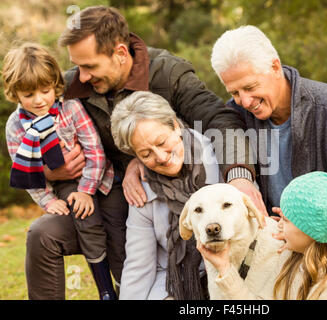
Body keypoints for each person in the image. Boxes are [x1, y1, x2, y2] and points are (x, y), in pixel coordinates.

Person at [23, 6, 258, 299]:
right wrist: (48, 170)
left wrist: (238, 175)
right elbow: (28, 133)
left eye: (90, 66)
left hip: (158, 194)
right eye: (77, 66)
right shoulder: (73, 86)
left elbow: (221, 121)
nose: (80, 76)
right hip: (100, 197)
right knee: (43, 235)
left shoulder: (168, 73)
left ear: (120, 53)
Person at [2, 43, 117, 300]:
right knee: (85, 217)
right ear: (15, 93)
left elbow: (95, 151)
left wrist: (87, 190)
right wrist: (48, 200)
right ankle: (106, 292)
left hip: (101, 178)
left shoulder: (70, 108)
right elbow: (27, 172)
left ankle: (125, 288)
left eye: (45, 91)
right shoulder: (16, 127)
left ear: (55, 85)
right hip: (65, 188)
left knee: (115, 227)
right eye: (29, 94)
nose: (39, 100)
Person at [210, 25, 327, 215]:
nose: (245, 101)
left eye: (250, 87)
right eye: (235, 92)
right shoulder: (235, 114)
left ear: (275, 67)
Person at [110, 91, 221, 299]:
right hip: (174, 278)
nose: (161, 157)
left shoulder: (218, 157)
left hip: (228, 270)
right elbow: (138, 266)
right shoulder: (142, 189)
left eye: (161, 142)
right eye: (145, 154)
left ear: (175, 125)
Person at [198, 171, 327, 300]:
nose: (278, 224)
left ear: (309, 230)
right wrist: (225, 269)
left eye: (286, 220)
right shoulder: (297, 261)